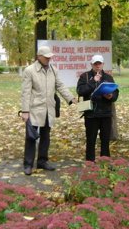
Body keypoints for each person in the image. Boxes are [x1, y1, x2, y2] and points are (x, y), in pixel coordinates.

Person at [20, 46, 77, 176]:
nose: (48, 59)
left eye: (50, 57)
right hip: (34, 108)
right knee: (31, 137)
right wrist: (25, 111)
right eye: (46, 57)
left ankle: (42, 161)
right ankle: (28, 164)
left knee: (46, 136)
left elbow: (60, 85)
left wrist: (70, 97)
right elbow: (26, 92)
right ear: (39, 56)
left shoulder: (53, 70)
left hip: (48, 108)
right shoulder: (29, 71)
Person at [76, 54, 119, 161]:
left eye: (99, 63)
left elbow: (115, 93)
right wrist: (92, 82)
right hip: (91, 114)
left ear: (103, 64)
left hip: (105, 113)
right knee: (91, 139)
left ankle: (105, 161)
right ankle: (90, 163)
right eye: (95, 64)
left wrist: (111, 96)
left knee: (105, 140)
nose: (98, 66)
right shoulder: (85, 76)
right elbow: (80, 91)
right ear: (91, 64)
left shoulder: (108, 77)